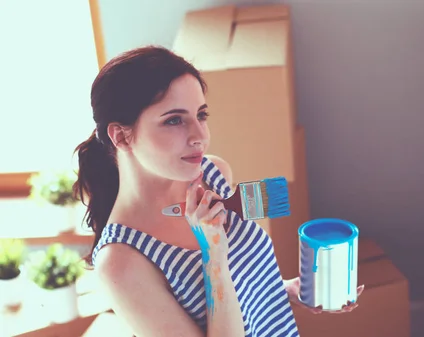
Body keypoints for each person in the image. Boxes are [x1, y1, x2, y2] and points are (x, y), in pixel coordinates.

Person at [73, 45, 363, 337]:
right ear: (121, 135)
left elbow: (242, 287)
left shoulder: (215, 174)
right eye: (174, 120)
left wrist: (283, 291)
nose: (200, 136)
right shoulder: (120, 262)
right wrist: (213, 256)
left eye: (201, 115)